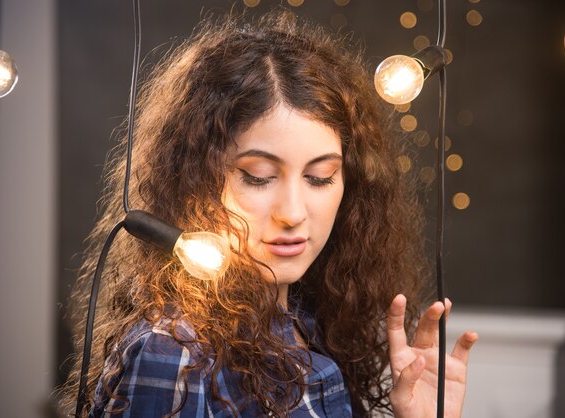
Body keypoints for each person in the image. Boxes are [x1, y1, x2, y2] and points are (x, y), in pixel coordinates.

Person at [62, 10, 477, 418]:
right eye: (259, 177)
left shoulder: (313, 324)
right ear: (195, 181)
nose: (293, 213)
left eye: (320, 177)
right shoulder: (173, 354)